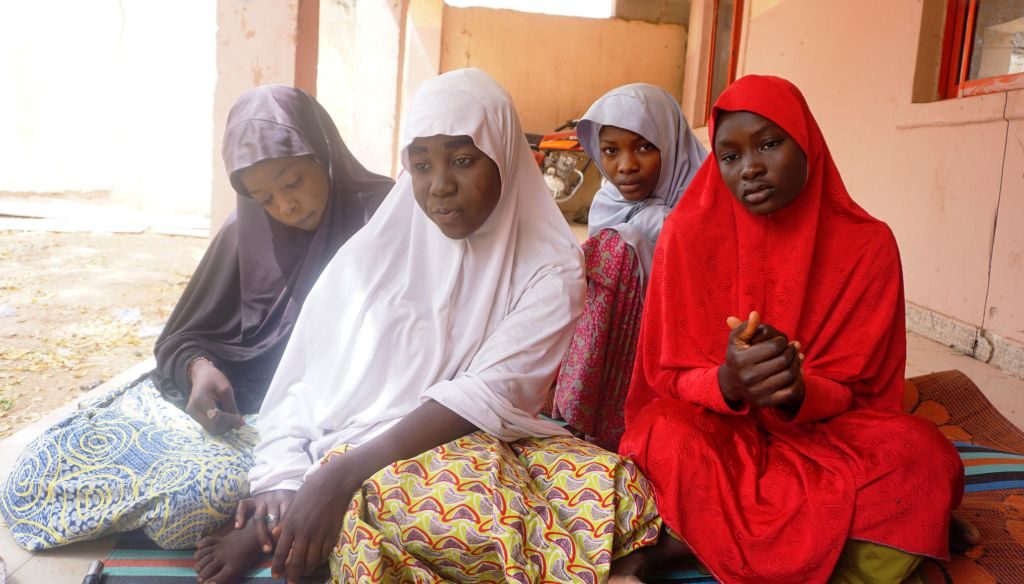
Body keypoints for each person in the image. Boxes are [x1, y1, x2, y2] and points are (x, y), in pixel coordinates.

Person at [193, 69, 661, 584]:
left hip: (479, 435)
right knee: (388, 513)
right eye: (421, 165)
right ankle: (600, 565)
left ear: (503, 154)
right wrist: (281, 480)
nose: (439, 185)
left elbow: (489, 394)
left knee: (614, 484)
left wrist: (340, 477)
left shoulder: (552, 265)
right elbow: (305, 377)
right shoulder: (377, 251)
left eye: (462, 160)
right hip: (360, 444)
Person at [0, 85, 393, 551]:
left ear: (324, 152)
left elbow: (397, 351)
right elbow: (184, 336)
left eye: (292, 183)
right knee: (41, 467)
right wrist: (200, 369)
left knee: (195, 502)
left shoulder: (383, 217)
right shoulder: (246, 229)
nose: (284, 207)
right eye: (263, 197)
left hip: (330, 419)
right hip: (239, 412)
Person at [617, 75, 964, 583]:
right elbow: (665, 377)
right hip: (720, 430)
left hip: (827, 435)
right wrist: (727, 383)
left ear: (808, 145)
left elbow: (865, 391)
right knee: (660, 437)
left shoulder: (867, 246)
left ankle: (682, 549)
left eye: (770, 144)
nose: (750, 167)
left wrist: (797, 389)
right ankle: (875, 545)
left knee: (924, 455)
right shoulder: (686, 235)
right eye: (729, 156)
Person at [552, 83, 706, 450]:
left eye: (644, 147)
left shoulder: (703, 200)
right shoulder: (608, 200)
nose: (626, 166)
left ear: (670, 143)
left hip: (678, 350)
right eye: (610, 151)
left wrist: (658, 229)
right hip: (615, 351)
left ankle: (609, 418)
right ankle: (579, 410)